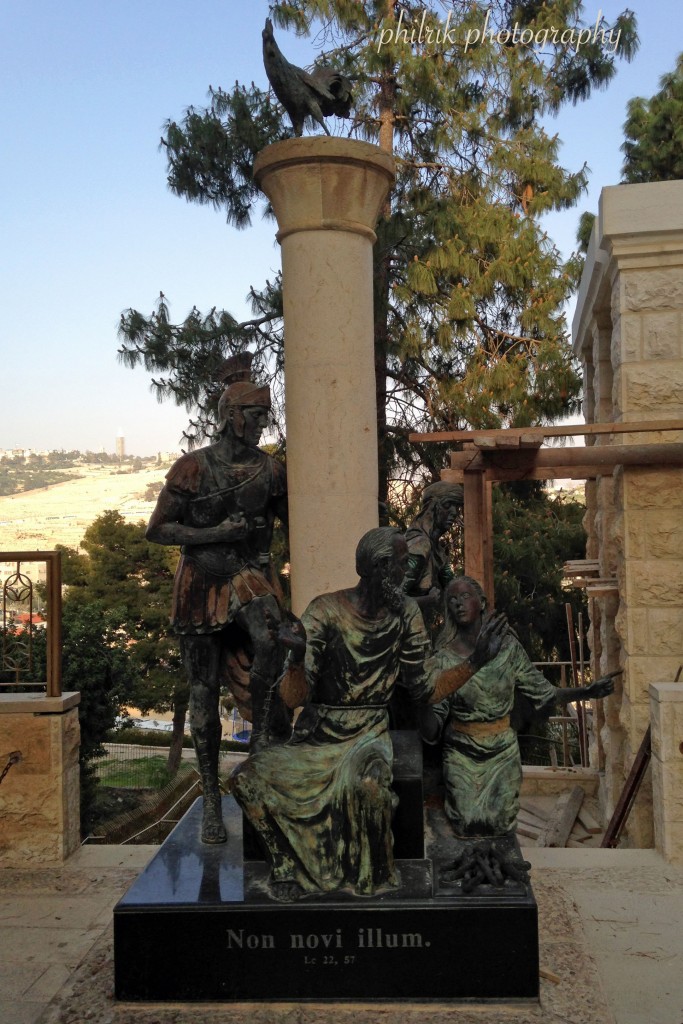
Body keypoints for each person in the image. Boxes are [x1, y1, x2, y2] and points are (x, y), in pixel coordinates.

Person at [230, 528, 506, 901]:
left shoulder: (406, 614)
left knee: (368, 790)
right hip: (319, 734)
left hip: (367, 735)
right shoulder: (325, 611)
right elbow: (295, 697)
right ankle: (283, 862)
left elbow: (425, 689)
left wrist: (475, 661)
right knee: (246, 779)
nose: (406, 573)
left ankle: (361, 876)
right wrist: (294, 658)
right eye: (400, 565)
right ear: (379, 568)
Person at [146, 365, 289, 844]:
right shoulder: (193, 467)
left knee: (273, 640)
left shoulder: (272, 470)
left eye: (267, 415)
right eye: (256, 414)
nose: (264, 423)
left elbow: (290, 525)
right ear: (231, 416)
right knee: (204, 695)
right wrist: (215, 534)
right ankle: (210, 800)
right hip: (201, 583)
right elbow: (159, 529)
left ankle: (265, 734)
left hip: (248, 577)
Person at [419, 576, 615, 840]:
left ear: (481, 602)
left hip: (503, 754)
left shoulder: (508, 649)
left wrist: (586, 691)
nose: (458, 604)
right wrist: (419, 700)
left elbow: (543, 692)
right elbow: (433, 724)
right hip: (462, 755)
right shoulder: (443, 659)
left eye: (465, 596)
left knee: (501, 827)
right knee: (469, 824)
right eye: (452, 600)